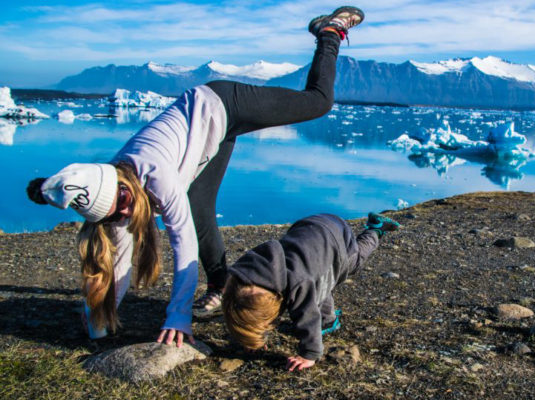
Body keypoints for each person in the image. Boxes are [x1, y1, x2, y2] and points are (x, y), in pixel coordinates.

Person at [24, 6, 365, 347]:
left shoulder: (153, 172)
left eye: (124, 202)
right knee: (200, 207)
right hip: (206, 139)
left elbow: (182, 243)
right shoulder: (114, 196)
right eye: (117, 214)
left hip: (222, 103)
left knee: (318, 101)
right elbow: (118, 259)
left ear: (121, 183)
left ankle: (329, 31)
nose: (125, 213)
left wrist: (178, 315)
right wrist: (96, 318)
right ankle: (221, 286)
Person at [223, 212, 400, 371]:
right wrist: (255, 335)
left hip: (339, 238)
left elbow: (308, 316)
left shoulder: (298, 282)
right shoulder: (249, 272)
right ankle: (329, 319)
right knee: (320, 280)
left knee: (354, 261)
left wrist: (309, 354)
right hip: (311, 226)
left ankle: (375, 229)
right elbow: (250, 303)